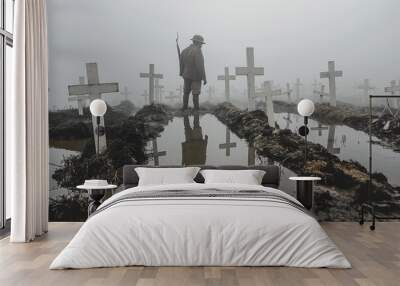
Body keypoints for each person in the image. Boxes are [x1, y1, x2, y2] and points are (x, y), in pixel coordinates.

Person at [179, 35, 207, 110]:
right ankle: (196, 109)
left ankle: (184, 108)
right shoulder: (197, 50)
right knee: (195, 93)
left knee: (186, 92)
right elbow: (200, 65)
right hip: (196, 76)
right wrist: (204, 78)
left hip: (186, 75)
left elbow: (181, 63)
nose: (201, 45)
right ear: (197, 42)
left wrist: (181, 72)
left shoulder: (184, 51)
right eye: (201, 43)